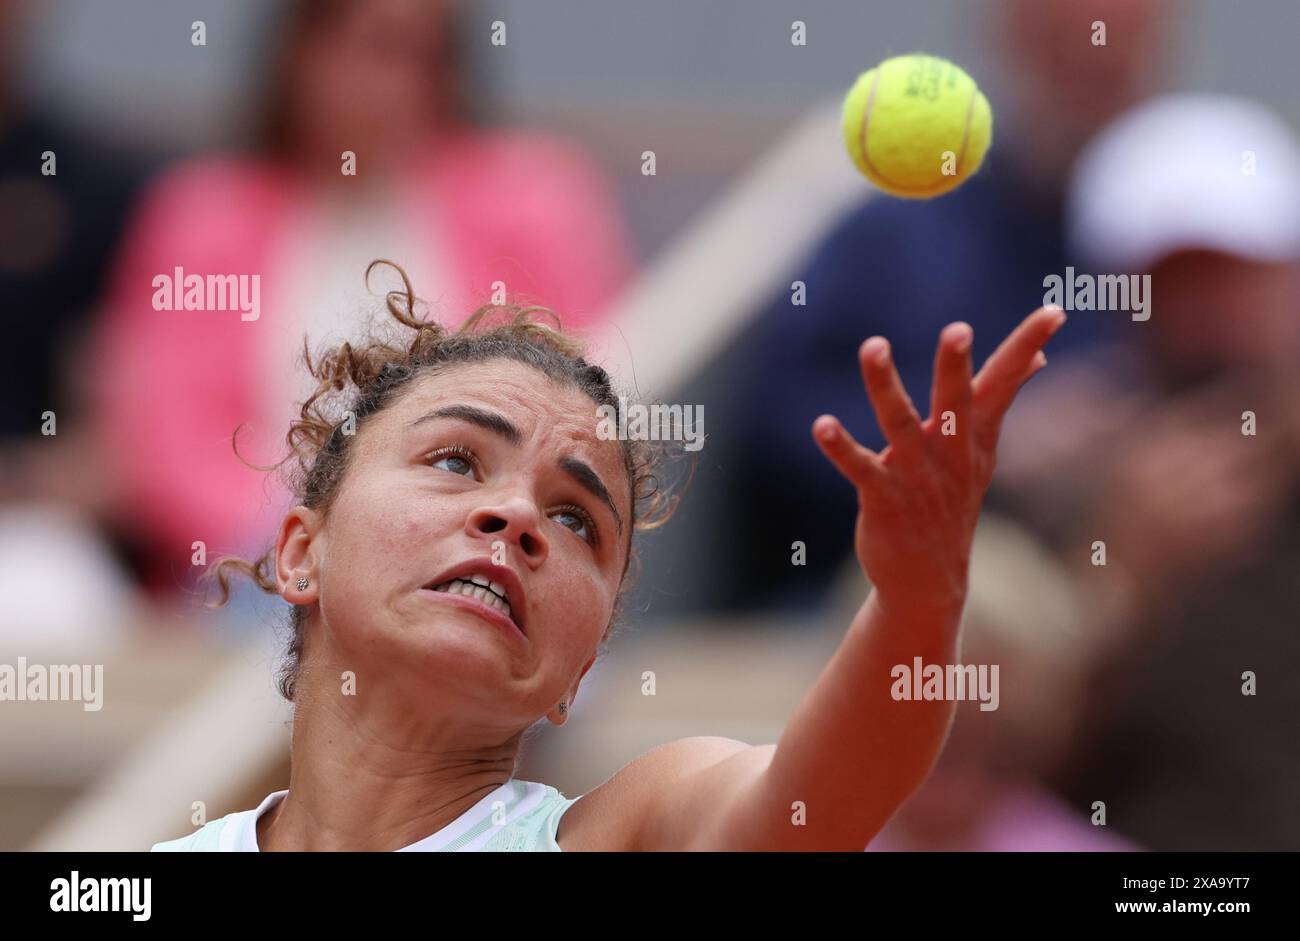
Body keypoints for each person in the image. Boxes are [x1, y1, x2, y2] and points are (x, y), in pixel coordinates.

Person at [152, 261, 1064, 850]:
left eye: (578, 519)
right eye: (458, 459)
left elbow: (817, 802)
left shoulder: (628, 836)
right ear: (300, 554)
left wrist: (916, 599)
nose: (515, 515)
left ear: (577, 674)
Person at [91, 0, 632, 595]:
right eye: (349, 46)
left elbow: (588, 409)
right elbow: (164, 447)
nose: (377, 82)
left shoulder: (535, 201)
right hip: (256, 577)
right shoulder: (201, 216)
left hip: (488, 563)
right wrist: (320, 548)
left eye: (409, 53)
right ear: (294, 55)